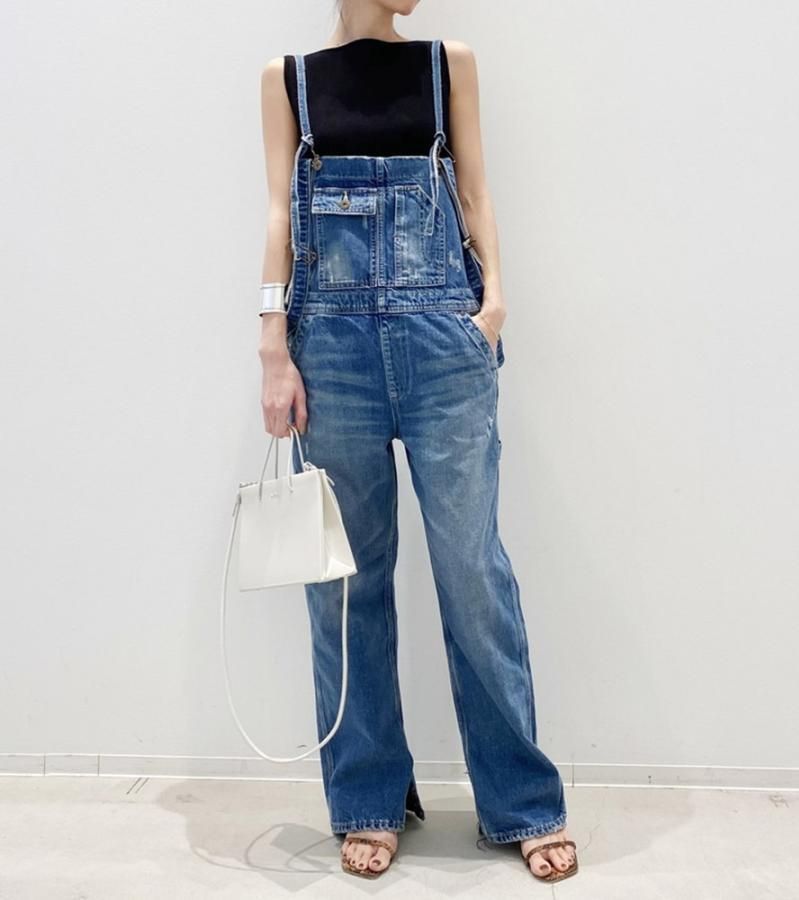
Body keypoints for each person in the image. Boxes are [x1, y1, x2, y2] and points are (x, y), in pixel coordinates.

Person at [256, 0, 578, 883]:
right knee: (347, 587)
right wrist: (272, 345)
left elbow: (474, 192)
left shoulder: (447, 64)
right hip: (331, 353)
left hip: (445, 344)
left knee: (473, 573)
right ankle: (369, 800)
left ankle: (522, 802)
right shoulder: (290, 81)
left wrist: (494, 302)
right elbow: (280, 215)